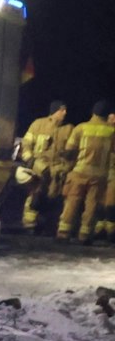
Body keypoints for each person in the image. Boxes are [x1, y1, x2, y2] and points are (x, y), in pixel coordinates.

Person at [58, 100, 113, 243]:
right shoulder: (112, 131)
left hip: (79, 172)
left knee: (72, 202)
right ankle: (85, 235)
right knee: (92, 205)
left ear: (93, 112)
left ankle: (63, 233)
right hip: (99, 176)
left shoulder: (81, 128)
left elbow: (69, 151)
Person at [16, 100, 69, 232]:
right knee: (35, 196)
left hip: (56, 170)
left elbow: (70, 154)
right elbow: (26, 144)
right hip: (39, 168)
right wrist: (31, 160)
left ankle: (47, 226)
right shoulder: (38, 125)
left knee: (53, 197)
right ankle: (29, 225)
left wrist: (64, 168)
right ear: (55, 111)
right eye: (62, 110)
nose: (65, 113)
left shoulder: (68, 129)